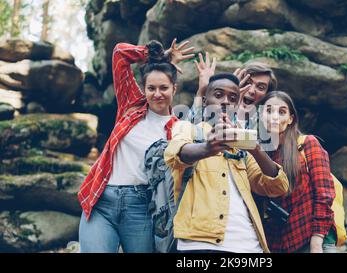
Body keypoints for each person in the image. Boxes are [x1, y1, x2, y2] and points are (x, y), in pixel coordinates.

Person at [77, 39, 195, 253]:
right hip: (102, 200)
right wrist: (158, 57)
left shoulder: (179, 129)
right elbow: (119, 54)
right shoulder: (131, 105)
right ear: (144, 89)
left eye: (163, 88)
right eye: (151, 88)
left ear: (174, 89)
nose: (157, 93)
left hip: (141, 206)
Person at [164, 72, 289, 253]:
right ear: (205, 101)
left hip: (250, 247)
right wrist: (207, 148)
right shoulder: (188, 129)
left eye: (232, 98)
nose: (225, 102)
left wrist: (254, 147)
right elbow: (175, 154)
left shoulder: (243, 146)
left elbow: (277, 186)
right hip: (200, 244)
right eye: (218, 95)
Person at [258, 91, 337, 253]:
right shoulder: (259, 153)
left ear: (290, 119)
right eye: (269, 110)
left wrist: (317, 241)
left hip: (311, 237)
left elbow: (324, 193)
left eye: (281, 112)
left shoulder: (307, 144)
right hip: (276, 242)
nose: (274, 117)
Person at [187, 53, 277, 129]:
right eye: (246, 82)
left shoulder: (265, 125)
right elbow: (187, 132)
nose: (251, 91)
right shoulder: (212, 111)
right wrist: (202, 90)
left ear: (267, 95)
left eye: (260, 87)